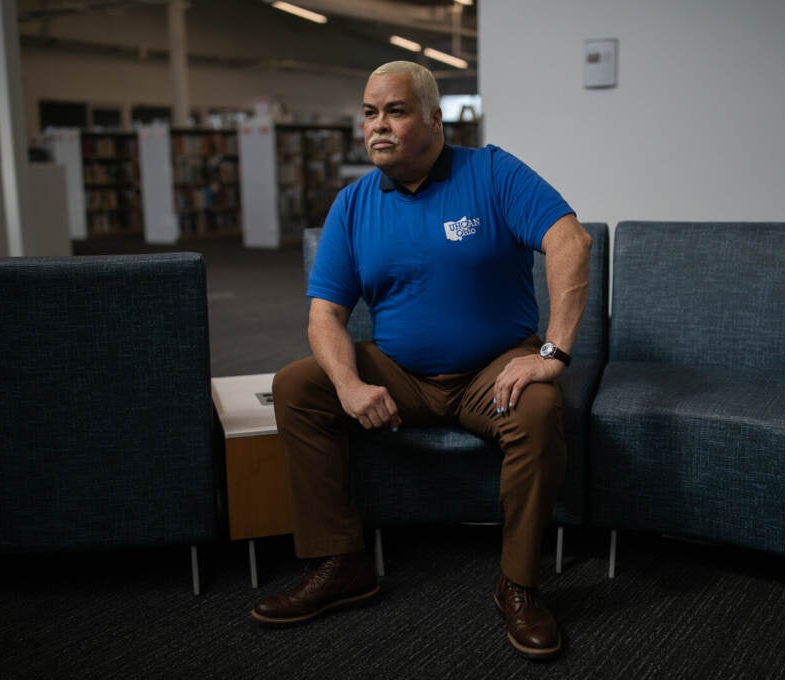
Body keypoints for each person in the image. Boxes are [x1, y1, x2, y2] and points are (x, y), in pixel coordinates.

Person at [253, 60, 592, 661]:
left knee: (539, 409)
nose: (377, 126)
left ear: (435, 120)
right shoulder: (354, 203)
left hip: (492, 371)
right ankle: (341, 564)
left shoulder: (490, 172)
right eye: (368, 113)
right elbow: (324, 315)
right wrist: (351, 384)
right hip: (402, 375)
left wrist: (552, 353)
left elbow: (571, 240)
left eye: (396, 111)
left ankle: (518, 584)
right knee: (298, 387)